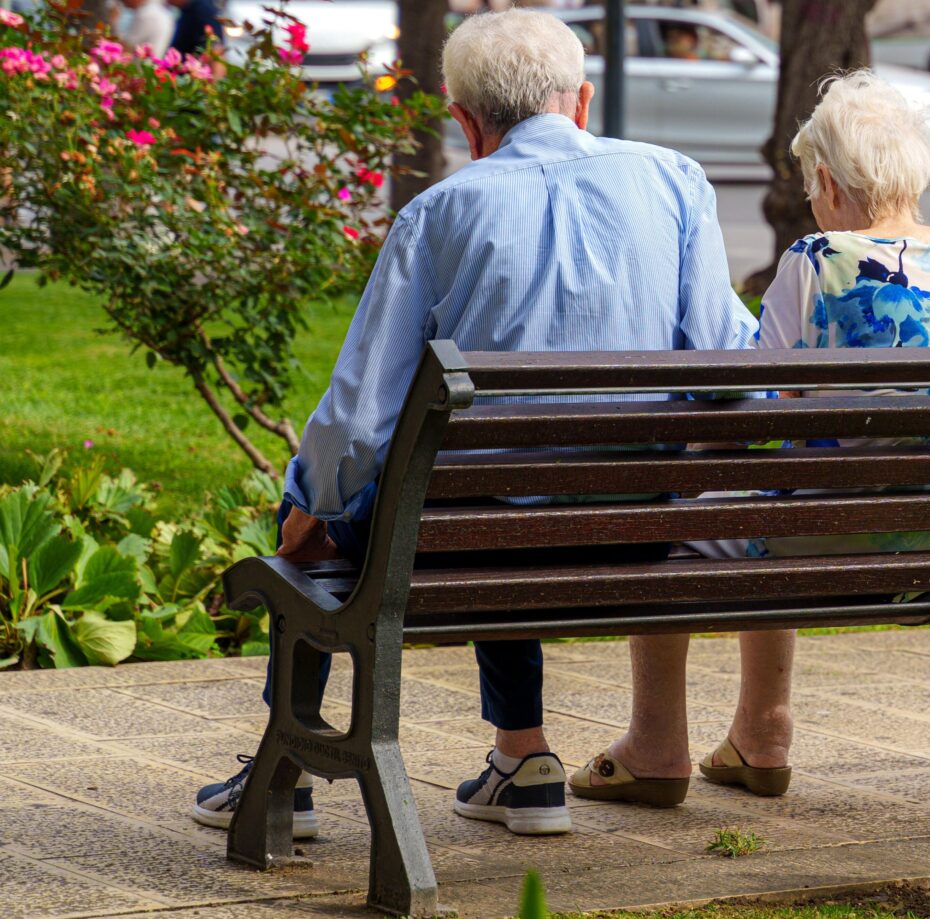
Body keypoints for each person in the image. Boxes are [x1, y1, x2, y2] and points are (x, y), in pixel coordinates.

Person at [191, 8, 757, 839]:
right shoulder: (674, 181)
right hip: (632, 531)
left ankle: (287, 775)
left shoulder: (439, 214)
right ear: (583, 102)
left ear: (465, 121)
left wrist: (306, 509)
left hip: (469, 533)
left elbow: (355, 419)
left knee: (353, 511)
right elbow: (727, 362)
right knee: (495, 484)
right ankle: (522, 761)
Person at [572, 70, 930, 804]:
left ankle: (655, 747)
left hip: (821, 535)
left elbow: (757, 407)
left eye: (812, 184)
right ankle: (762, 734)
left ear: (832, 183)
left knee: (671, 521)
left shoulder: (816, 262)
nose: (811, 200)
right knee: (772, 501)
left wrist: (686, 464)